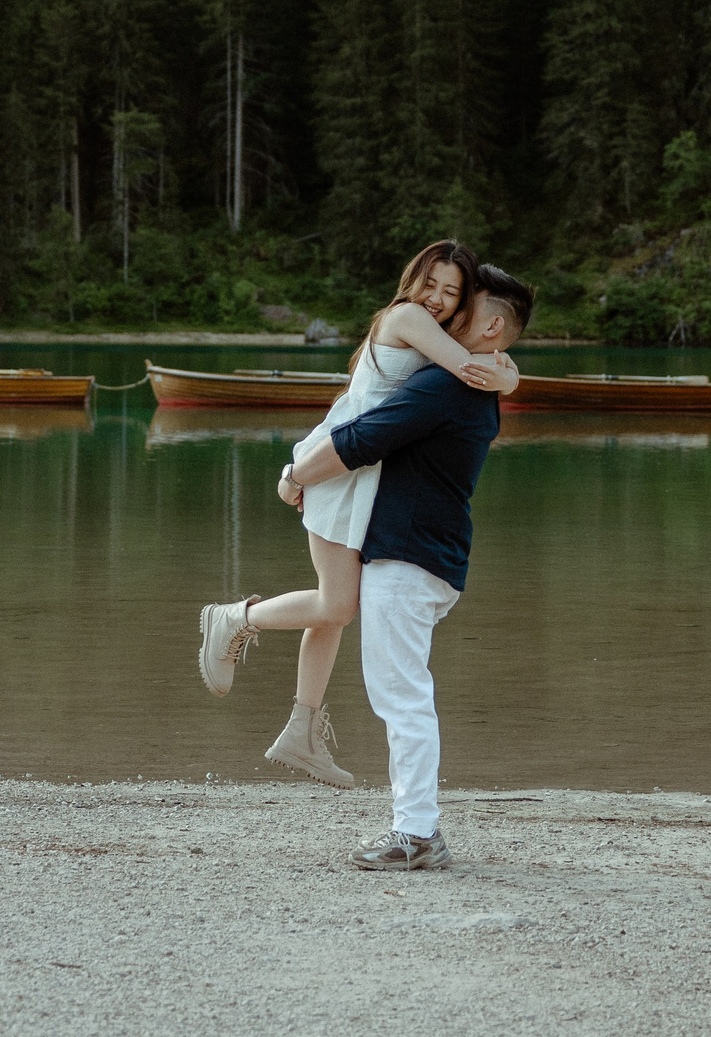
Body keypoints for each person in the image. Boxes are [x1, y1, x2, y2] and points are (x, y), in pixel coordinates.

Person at [195, 240, 518, 789]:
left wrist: (503, 369)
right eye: (431, 284)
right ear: (411, 280)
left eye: (451, 293)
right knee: (337, 603)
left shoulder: (429, 328)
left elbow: (464, 361)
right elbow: (465, 367)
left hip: (363, 471)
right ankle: (235, 619)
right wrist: (506, 375)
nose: (437, 300)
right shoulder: (408, 316)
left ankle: (302, 730)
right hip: (340, 464)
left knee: (336, 606)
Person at [243, 265, 535, 871]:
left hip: (407, 557)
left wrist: (295, 477)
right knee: (401, 692)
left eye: (462, 312)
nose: (446, 323)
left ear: (494, 325)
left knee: (401, 696)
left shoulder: (447, 386)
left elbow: (361, 438)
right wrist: (506, 371)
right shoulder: (471, 382)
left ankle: (418, 834)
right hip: (427, 553)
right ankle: (416, 830)